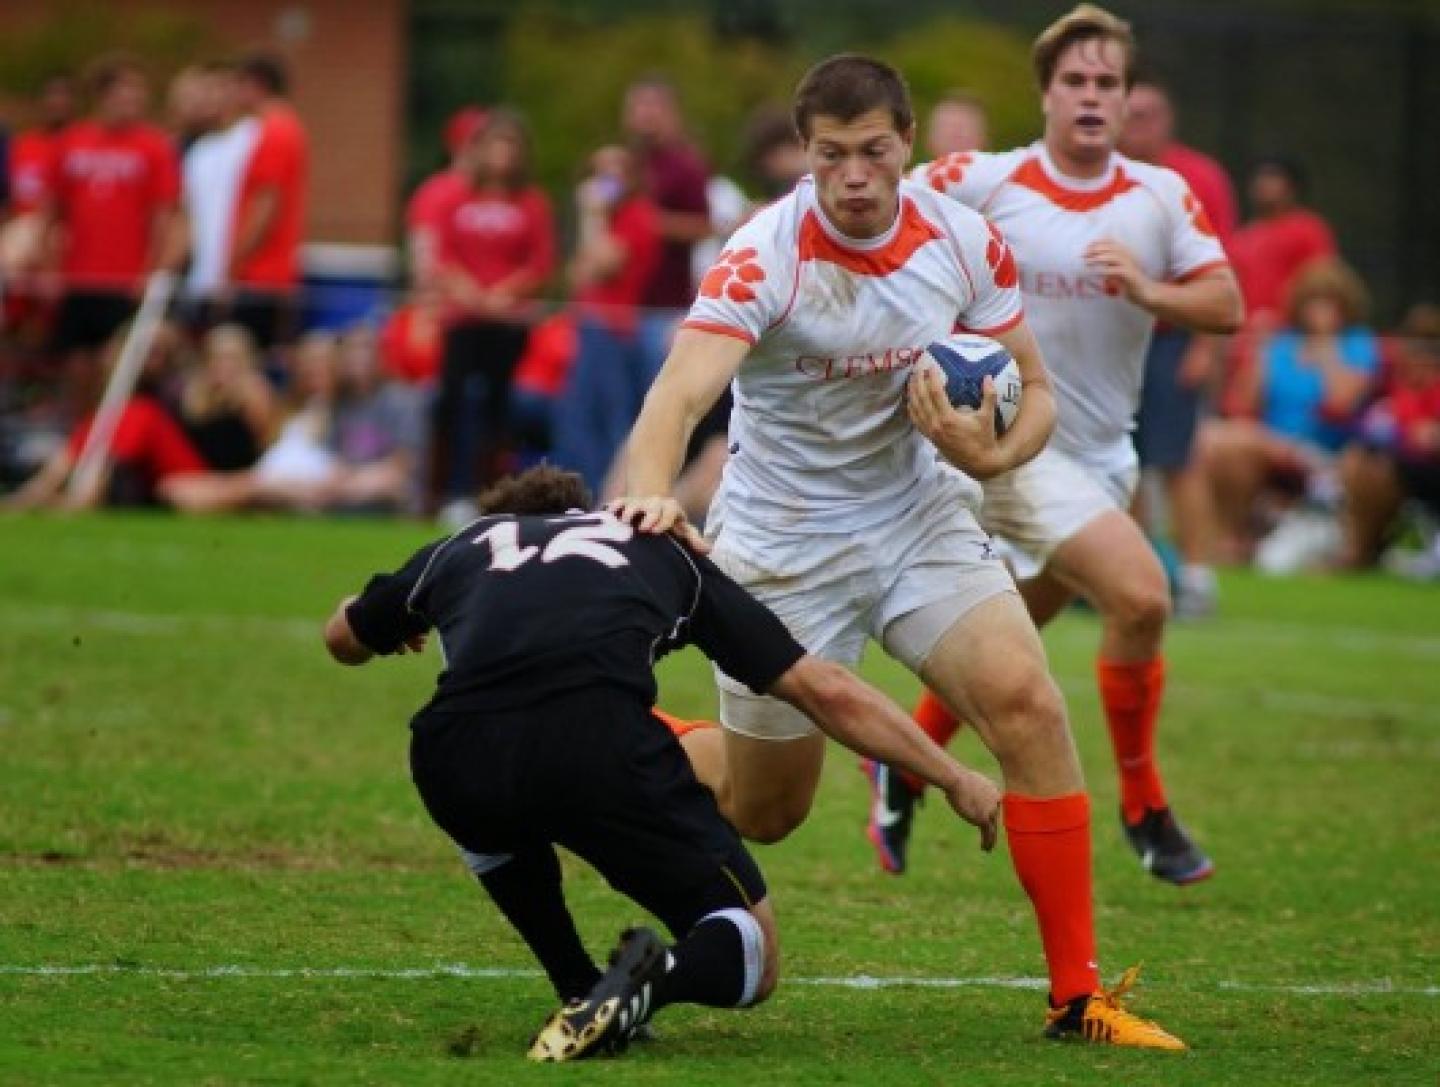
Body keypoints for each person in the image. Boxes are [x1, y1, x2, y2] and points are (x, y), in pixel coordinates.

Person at [612, 52, 1185, 1048]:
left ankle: (1079, 999)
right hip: (784, 547)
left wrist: (990, 450)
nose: (855, 176)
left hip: (918, 519)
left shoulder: (962, 241)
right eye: (832, 155)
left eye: (873, 151)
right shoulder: (766, 253)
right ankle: (644, 733)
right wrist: (652, 495)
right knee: (767, 810)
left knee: (1029, 705)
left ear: (907, 144)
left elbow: (1034, 391)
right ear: (806, 155)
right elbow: (679, 393)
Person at [321, 465, 1001, 1062]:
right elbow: (818, 687)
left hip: (453, 751)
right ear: (586, 509)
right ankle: (656, 977)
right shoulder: (655, 545)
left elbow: (342, 637)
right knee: (749, 947)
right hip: (598, 749)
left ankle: (577, 983)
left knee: (483, 805)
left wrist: (392, 620)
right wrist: (952, 773)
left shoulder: (458, 549)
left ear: (507, 515)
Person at [898, 4, 1242, 890]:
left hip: (1103, 454)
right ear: (1046, 94)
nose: (1091, 96)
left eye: (1107, 83)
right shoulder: (984, 177)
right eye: (1075, 82)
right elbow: (888, 207)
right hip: (1017, 444)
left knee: (1021, 623)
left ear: (1127, 100)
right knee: (1141, 596)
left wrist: (1150, 289)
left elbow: (1228, 303)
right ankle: (1144, 805)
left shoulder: (1160, 195)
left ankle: (902, 759)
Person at [1119, 72, 1239, 617]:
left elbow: (1220, 268)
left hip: (1173, 335)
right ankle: (1150, 566)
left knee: (1178, 456)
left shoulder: (1197, 176)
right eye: (1131, 113)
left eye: (1148, 114)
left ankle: (1196, 573)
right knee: (1126, 459)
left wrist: (1203, 348)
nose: (1136, 124)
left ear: (1168, 120)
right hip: (1116, 337)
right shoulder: (1104, 174)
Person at [1192, 258, 1378, 570]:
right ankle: (1230, 538)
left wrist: (1325, 349)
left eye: (1327, 303)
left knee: (1225, 439)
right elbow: (1242, 403)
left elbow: (1341, 403)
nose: (1318, 312)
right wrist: (1259, 354)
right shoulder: (1281, 345)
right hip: (1270, 445)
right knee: (1220, 446)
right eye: (1312, 303)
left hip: (1327, 452)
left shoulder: (1357, 345)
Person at [432, 108, 555, 520]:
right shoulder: (457, 197)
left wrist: (505, 293)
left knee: (499, 409)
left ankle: (493, 494)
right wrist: (467, 291)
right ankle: (451, 491)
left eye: (509, 146)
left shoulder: (532, 203)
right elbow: (443, 254)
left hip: (506, 322)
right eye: (494, 145)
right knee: (453, 401)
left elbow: (540, 262)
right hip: (463, 319)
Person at [45, 55, 185, 371]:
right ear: (103, 96)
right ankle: (79, 422)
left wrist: (152, 272)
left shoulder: (154, 147)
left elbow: (164, 216)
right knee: (75, 363)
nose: (131, 102)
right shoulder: (72, 141)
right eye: (124, 93)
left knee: (114, 366)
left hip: (125, 281)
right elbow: (52, 214)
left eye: (136, 95)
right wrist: (49, 267)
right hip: (77, 278)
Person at [552, 143, 661, 493]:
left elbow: (602, 264)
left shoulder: (636, 215)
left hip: (615, 330)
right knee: (579, 415)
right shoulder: (612, 220)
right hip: (591, 324)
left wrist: (593, 216)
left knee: (611, 417)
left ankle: (611, 493)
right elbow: (578, 275)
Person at [620, 76, 711, 389]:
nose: (646, 116)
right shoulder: (626, 164)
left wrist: (649, 224)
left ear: (672, 114)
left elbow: (703, 226)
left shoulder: (685, 166)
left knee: (656, 392)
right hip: (617, 307)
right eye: (639, 107)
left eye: (653, 107)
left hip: (662, 306)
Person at [1338, 303, 1440, 572]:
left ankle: (1364, 551)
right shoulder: (1394, 388)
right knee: (1357, 461)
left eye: (1429, 350)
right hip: (1400, 461)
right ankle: (1358, 550)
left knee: (1377, 471)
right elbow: (1358, 423)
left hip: (1426, 469)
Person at [226, 52, 309, 350]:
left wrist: (233, 266)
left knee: (245, 355)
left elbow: (265, 206)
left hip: (261, 274)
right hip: (270, 273)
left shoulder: (275, 132)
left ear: (256, 85)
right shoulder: (284, 128)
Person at [180, 63, 260, 326]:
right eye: (208, 90)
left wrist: (233, 269)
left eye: (222, 88)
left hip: (243, 281)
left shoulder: (255, 136)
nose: (214, 98)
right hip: (202, 281)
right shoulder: (199, 151)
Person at [405, 105, 486, 286]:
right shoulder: (437, 192)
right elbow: (425, 253)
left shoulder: (501, 193)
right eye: (477, 142)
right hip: (449, 303)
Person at [925, 89, 989, 157]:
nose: (954, 135)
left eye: (964, 127)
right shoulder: (920, 167)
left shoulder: (999, 166)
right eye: (946, 126)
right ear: (929, 140)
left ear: (983, 138)